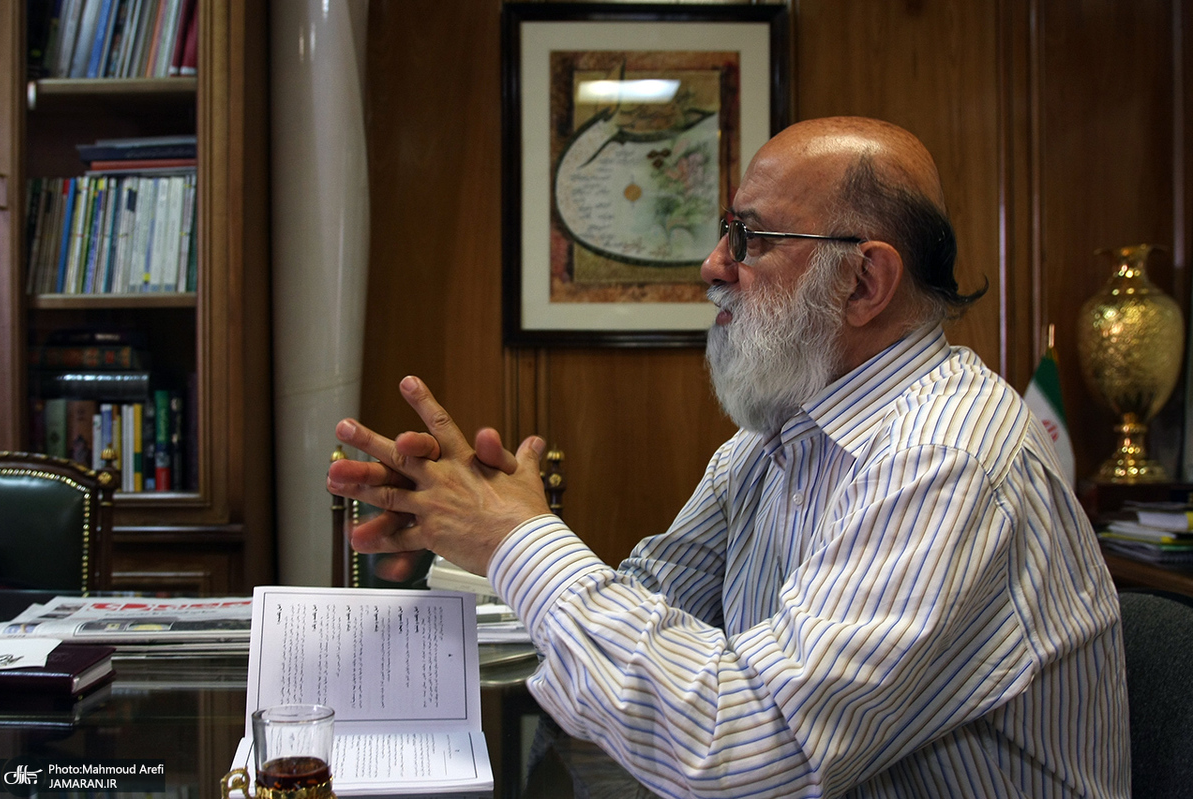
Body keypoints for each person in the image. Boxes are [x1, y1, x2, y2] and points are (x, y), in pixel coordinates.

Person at [327, 116, 1130, 798]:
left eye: (751, 237)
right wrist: (473, 525)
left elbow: (744, 745)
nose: (713, 264)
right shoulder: (770, 441)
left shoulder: (946, 457)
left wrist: (516, 538)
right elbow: (649, 608)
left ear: (864, 281)